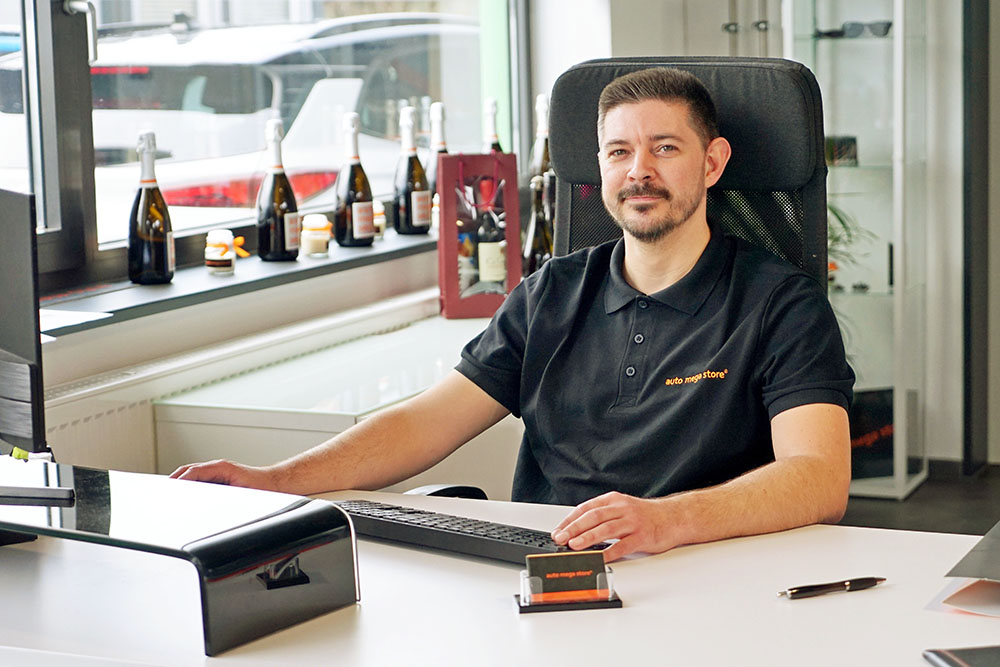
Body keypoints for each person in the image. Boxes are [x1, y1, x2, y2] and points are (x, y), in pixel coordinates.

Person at [172, 67, 854, 563]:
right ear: (598, 169)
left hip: (707, 567)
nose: (638, 171)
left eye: (665, 148)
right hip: (549, 569)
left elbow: (819, 477)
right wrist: (270, 481)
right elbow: (423, 423)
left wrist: (665, 521)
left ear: (712, 163)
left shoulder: (781, 304)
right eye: (619, 152)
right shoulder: (551, 292)